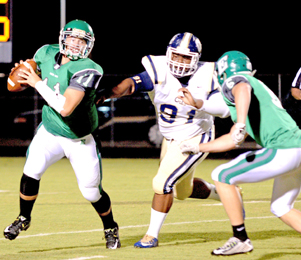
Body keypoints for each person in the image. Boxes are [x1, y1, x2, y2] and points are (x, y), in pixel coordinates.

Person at [97, 32, 239, 248]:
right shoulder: (159, 69)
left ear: (196, 59)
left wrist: (199, 103)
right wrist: (110, 93)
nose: (179, 62)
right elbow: (131, 83)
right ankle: (228, 193)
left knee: (162, 182)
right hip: (169, 136)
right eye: (176, 56)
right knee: (183, 191)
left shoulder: (208, 75)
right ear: (168, 53)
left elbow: (224, 110)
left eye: (186, 58)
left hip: (195, 135)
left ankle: (151, 236)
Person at [3, 19, 121, 249]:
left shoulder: (90, 68)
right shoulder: (45, 52)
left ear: (89, 45)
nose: (76, 44)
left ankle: (110, 227)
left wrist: (36, 83)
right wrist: (21, 77)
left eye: (81, 41)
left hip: (79, 138)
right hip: (50, 131)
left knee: (91, 192)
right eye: (72, 38)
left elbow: (66, 107)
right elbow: (27, 77)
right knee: (31, 171)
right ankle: (23, 218)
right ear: (63, 38)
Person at [179, 50, 301, 256]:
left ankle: (240, 238)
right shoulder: (256, 90)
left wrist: (241, 123)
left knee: (222, 175)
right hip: (296, 148)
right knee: (281, 207)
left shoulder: (238, 81)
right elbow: (232, 138)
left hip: (283, 148)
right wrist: (197, 147)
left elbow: (241, 87)